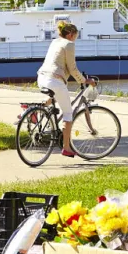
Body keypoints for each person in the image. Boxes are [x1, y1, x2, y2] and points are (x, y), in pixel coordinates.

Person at [37, 21, 95, 157]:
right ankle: (66, 147)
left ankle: (33, 112)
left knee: (53, 97)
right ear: (70, 34)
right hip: (55, 80)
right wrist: (84, 80)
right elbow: (72, 68)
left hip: (42, 77)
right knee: (68, 114)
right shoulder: (69, 44)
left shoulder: (55, 42)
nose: (75, 39)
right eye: (75, 36)